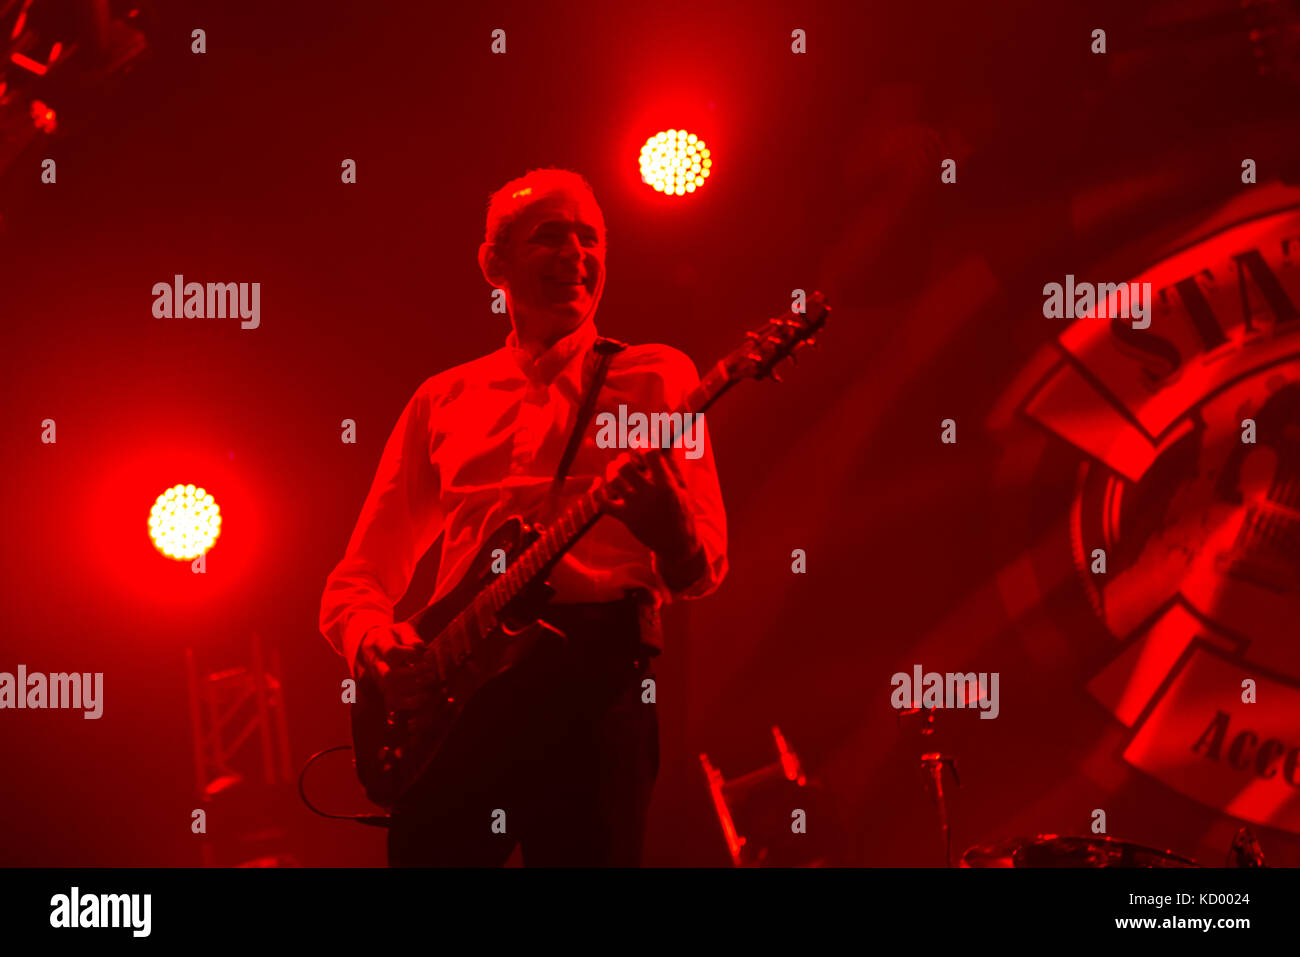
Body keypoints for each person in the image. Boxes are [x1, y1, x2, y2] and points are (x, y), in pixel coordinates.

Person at [319, 168, 728, 866]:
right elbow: (357, 579)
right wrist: (373, 642)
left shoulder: (659, 375)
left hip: (597, 679)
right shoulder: (441, 399)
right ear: (493, 265)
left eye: (590, 238)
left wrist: (672, 528)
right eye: (550, 237)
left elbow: (705, 567)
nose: (577, 255)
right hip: (457, 694)